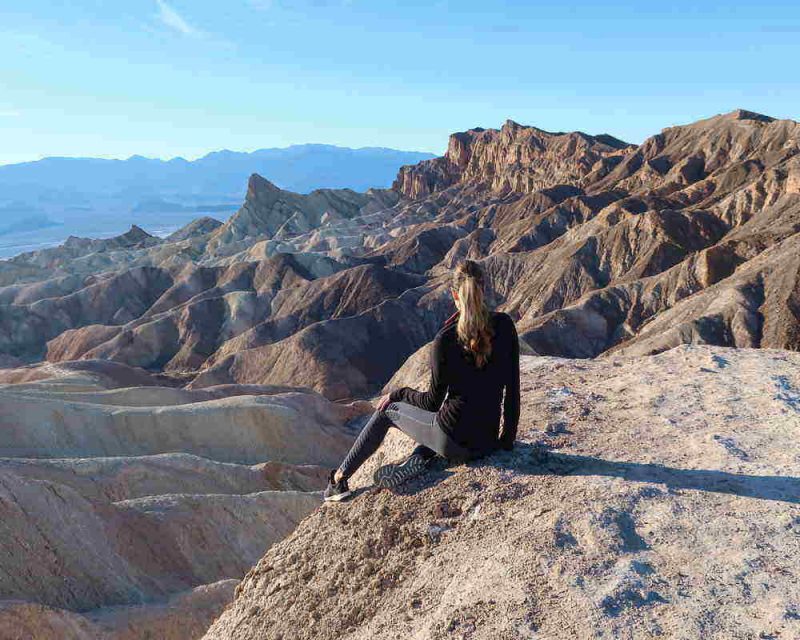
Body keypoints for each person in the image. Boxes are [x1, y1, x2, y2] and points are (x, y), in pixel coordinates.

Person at [323, 259, 520, 502]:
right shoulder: (505, 325)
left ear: (454, 296)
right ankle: (418, 458)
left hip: (452, 443)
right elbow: (513, 389)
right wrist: (506, 441)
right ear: (484, 289)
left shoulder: (445, 339)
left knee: (387, 412)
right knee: (435, 426)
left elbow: (432, 403)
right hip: (486, 441)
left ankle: (338, 481)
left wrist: (398, 394)